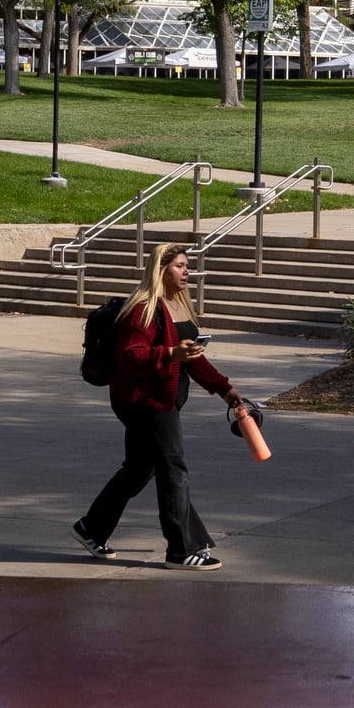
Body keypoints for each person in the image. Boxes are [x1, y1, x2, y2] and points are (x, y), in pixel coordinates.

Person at [73, 244, 241, 569]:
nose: (186, 271)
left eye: (186, 266)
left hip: (159, 401)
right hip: (147, 403)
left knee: (139, 468)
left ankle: (91, 527)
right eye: (179, 266)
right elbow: (130, 356)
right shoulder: (144, 310)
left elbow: (192, 358)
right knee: (173, 468)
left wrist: (225, 389)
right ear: (161, 270)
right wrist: (169, 354)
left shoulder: (177, 307)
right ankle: (180, 550)